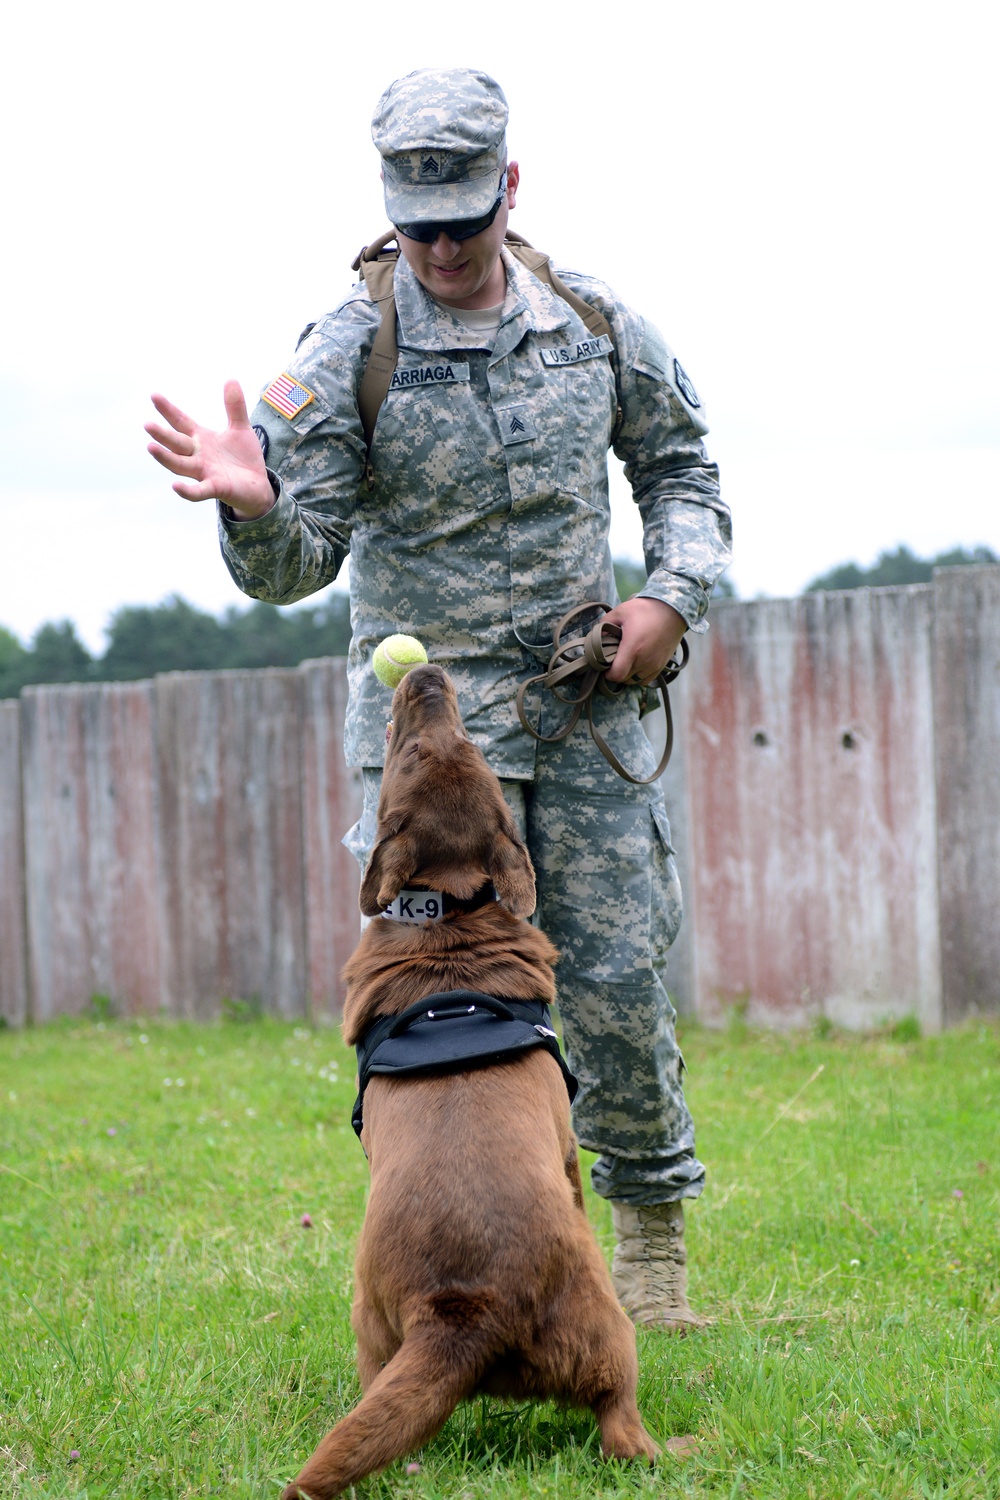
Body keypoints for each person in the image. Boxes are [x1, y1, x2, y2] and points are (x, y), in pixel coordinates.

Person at [146, 67, 732, 1331]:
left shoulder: (593, 321)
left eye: (466, 218)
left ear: (508, 187)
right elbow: (299, 562)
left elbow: (683, 470)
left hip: (585, 710)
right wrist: (253, 514)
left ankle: (648, 1248)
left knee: (620, 979)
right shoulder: (350, 347)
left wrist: (667, 600)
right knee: (428, 1002)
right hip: (433, 745)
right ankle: (429, 1252)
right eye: (420, 226)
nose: (445, 247)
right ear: (389, 209)